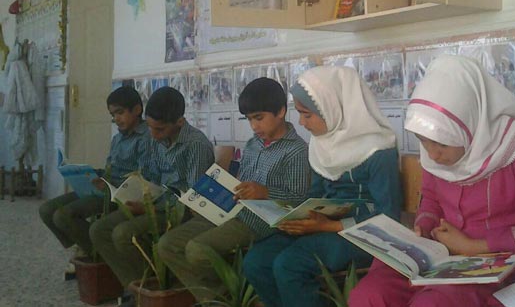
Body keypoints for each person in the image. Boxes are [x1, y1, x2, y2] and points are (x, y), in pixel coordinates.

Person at [350, 55, 515, 307]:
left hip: (500, 264)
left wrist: (475, 246)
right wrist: (423, 227)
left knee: (432, 304)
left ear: (469, 122)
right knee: (369, 295)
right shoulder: (435, 144)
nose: (432, 155)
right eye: (423, 142)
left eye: (441, 144)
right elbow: (431, 199)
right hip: (442, 257)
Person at [242, 66, 402, 307]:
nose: (301, 122)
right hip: (322, 227)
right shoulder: (321, 145)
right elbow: (316, 195)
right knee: (256, 261)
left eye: (307, 115)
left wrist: (330, 225)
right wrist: (298, 218)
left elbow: (388, 217)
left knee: (289, 265)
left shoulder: (379, 150)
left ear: (333, 108)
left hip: (363, 235)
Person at [157, 77, 311, 303]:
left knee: (197, 250)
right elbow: (242, 181)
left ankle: (231, 296)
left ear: (281, 111)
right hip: (231, 210)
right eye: (249, 119)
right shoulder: (253, 144)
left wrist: (265, 192)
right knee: (167, 245)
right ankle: (221, 297)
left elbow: (298, 200)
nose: (254, 126)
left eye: (259, 118)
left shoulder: (296, 150)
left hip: (259, 221)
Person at [89, 86, 214, 297]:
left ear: (179, 122)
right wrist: (133, 192)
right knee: (99, 230)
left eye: (160, 130)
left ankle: (153, 286)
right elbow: (149, 176)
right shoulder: (156, 139)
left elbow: (193, 197)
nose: (153, 136)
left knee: (123, 233)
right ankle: (136, 288)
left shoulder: (196, 145)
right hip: (153, 202)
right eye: (150, 128)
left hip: (178, 210)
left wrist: (151, 208)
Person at [39, 86, 149, 262]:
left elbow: (143, 178)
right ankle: (87, 247)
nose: (116, 119)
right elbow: (110, 168)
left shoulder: (147, 138)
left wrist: (109, 184)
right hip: (104, 187)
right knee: (46, 210)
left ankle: (101, 256)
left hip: (119, 194)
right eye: (113, 115)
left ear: (137, 110)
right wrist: (90, 174)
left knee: (63, 215)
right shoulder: (118, 138)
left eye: (120, 113)